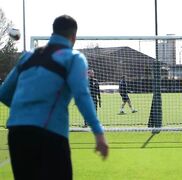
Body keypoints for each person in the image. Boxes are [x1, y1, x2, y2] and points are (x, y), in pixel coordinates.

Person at [0, 15, 108, 180]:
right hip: (49, 134)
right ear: (73, 37)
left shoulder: (28, 57)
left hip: (17, 133)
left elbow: (4, 93)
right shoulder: (73, 58)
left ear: (53, 33)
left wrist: (25, 111)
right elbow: (81, 95)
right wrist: (98, 132)